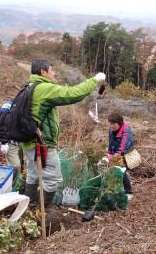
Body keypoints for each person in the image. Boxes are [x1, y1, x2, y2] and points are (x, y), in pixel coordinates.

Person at [22, 58, 105, 208]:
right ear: (43, 72)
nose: (55, 74)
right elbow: (72, 93)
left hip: (28, 142)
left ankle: (29, 207)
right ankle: (44, 211)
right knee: (52, 180)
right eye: (52, 70)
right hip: (42, 144)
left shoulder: (29, 86)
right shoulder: (43, 88)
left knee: (34, 174)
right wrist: (94, 80)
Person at [107, 112, 134, 200]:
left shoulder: (126, 131)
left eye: (113, 124)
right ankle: (118, 187)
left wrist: (116, 155)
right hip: (116, 150)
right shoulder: (111, 129)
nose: (111, 126)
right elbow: (110, 142)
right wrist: (109, 153)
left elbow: (123, 146)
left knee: (122, 170)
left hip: (126, 152)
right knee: (117, 169)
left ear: (119, 123)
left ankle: (129, 192)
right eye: (110, 123)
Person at [0, 100, 23, 181]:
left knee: (22, 165)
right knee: (15, 166)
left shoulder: (28, 105)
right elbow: (0, 124)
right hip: (11, 142)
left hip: (23, 142)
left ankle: (19, 184)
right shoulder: (8, 106)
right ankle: (11, 187)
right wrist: (4, 142)